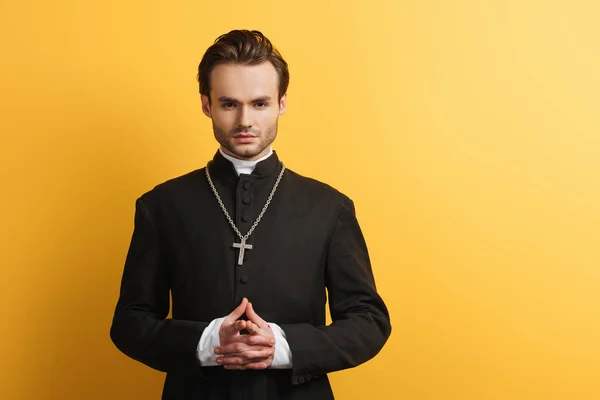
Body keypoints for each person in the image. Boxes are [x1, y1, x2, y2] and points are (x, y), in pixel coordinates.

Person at [110, 29, 391, 400]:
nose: (245, 120)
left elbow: (368, 321)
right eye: (229, 104)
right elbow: (129, 323)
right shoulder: (161, 205)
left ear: (282, 103)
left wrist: (284, 346)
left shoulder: (329, 207)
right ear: (206, 104)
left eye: (259, 103)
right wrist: (207, 342)